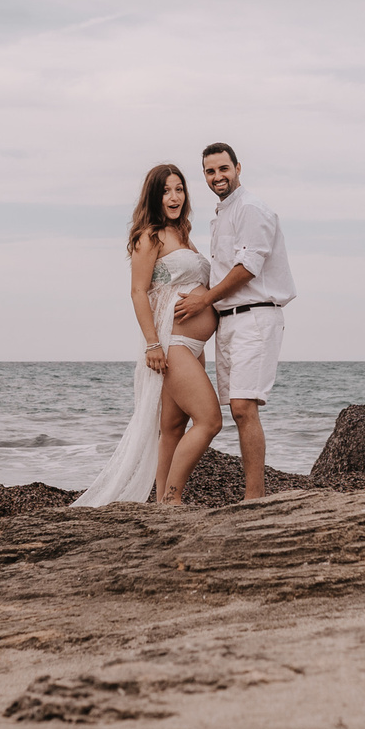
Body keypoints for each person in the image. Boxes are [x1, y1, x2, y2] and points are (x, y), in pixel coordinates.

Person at [73, 164, 222, 507]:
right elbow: (139, 292)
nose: (174, 197)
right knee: (210, 420)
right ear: (154, 196)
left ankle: (160, 504)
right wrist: (153, 343)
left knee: (172, 428)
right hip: (172, 344)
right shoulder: (149, 236)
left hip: (193, 346)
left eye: (180, 189)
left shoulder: (184, 235)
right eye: (166, 191)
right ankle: (172, 497)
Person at [176, 143, 295, 499]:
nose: (217, 177)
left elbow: (247, 268)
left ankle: (253, 498)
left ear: (238, 168)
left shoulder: (251, 209)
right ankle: (252, 496)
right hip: (229, 322)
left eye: (223, 169)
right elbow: (223, 270)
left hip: (255, 317)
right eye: (210, 172)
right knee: (238, 409)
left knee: (244, 407)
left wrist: (204, 300)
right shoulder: (221, 216)